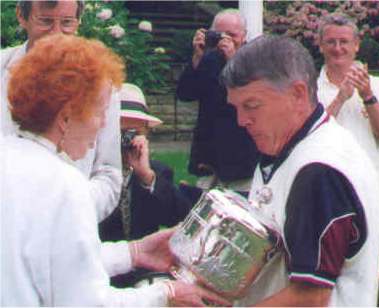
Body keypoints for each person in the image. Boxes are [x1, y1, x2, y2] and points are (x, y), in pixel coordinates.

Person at [1, 33, 229, 307]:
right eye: (100, 112)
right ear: (66, 117)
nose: (101, 127)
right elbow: (86, 302)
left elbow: (52, 261)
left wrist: (133, 252)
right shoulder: (65, 185)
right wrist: (165, 293)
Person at [221, 34, 379, 306]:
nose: (241, 120)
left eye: (251, 106)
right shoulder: (291, 147)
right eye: (236, 108)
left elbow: (311, 297)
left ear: (297, 94)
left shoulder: (319, 170)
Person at [0, 0, 122, 222]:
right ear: (21, 16)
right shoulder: (3, 67)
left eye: (67, 23)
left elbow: (108, 174)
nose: (56, 33)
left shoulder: (101, 82)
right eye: (46, 21)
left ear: (78, 20)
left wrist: (68, 208)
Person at [316, 13, 379, 223]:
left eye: (344, 42)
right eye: (331, 42)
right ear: (321, 46)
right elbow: (311, 138)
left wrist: (368, 96)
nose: (337, 48)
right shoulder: (310, 89)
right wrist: (340, 98)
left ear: (356, 46)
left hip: (372, 200)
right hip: (326, 201)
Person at [176, 9, 259, 192]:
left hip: (241, 151)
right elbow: (185, 94)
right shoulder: (208, 59)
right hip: (208, 152)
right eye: (220, 34)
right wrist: (197, 57)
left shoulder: (255, 59)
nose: (225, 39)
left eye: (232, 35)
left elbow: (252, 97)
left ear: (244, 36)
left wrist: (232, 60)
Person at [99, 83, 194, 242]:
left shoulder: (157, 172)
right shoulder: (93, 172)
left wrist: (147, 178)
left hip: (144, 262)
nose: (127, 140)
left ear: (146, 133)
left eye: (134, 133)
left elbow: (179, 218)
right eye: (122, 132)